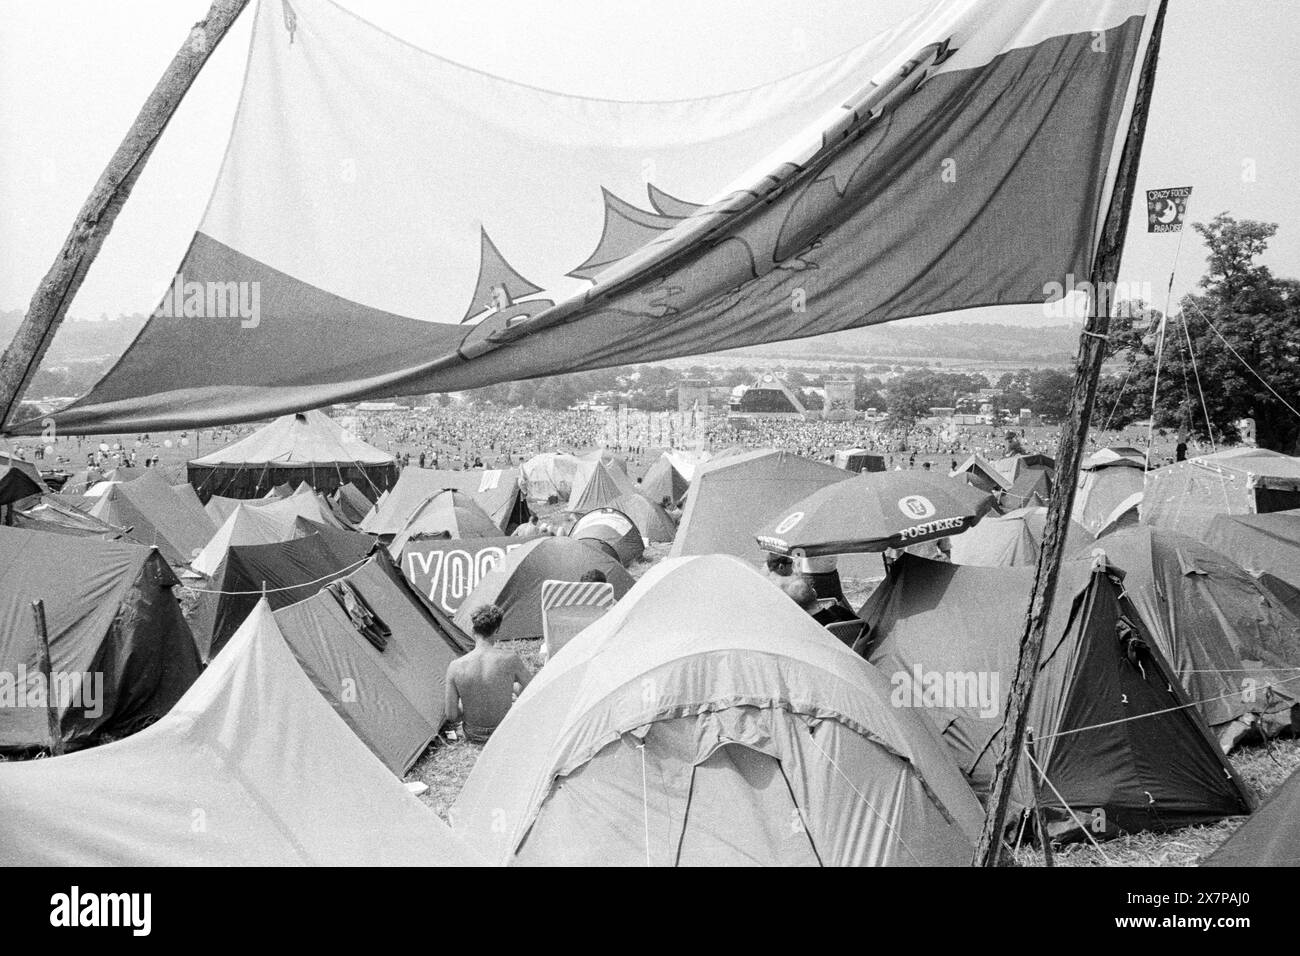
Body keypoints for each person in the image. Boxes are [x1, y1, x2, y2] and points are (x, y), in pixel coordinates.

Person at [443, 604, 532, 744]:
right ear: (497, 630)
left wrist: (471, 703)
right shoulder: (510, 660)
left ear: (473, 630)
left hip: (474, 734)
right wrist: (510, 689)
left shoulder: (455, 667)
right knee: (513, 686)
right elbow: (532, 690)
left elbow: (451, 715)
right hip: (503, 731)